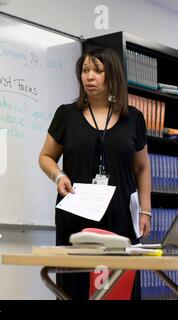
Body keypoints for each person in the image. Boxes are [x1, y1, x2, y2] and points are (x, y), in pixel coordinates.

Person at [38, 47, 151, 300]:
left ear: (112, 76)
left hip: (120, 217)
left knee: (118, 291)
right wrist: (58, 176)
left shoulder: (133, 118)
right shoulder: (66, 115)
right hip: (76, 218)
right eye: (85, 71)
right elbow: (45, 157)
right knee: (75, 289)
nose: (89, 76)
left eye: (98, 71)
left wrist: (145, 210)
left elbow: (142, 167)